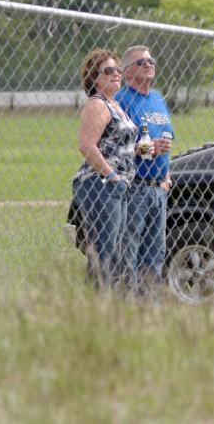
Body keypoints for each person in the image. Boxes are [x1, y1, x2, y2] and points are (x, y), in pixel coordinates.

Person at [71, 49, 137, 289]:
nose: (116, 74)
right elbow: (86, 146)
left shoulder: (115, 105)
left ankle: (106, 300)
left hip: (117, 185)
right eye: (108, 71)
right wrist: (111, 175)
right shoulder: (97, 105)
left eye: (118, 70)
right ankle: (96, 302)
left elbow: (117, 145)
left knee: (115, 248)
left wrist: (141, 149)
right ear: (94, 77)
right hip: (100, 184)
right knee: (104, 250)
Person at [116, 45, 174, 295]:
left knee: (155, 252)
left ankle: (149, 302)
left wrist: (167, 178)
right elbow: (115, 146)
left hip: (158, 187)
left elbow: (167, 141)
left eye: (151, 60)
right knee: (129, 250)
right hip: (135, 186)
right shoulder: (122, 101)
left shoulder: (158, 99)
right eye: (142, 62)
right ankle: (126, 301)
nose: (149, 64)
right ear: (128, 72)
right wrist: (149, 149)